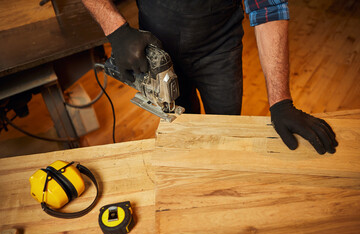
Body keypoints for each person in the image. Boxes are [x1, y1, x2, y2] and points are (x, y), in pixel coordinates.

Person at [82, 0, 338, 155]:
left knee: (226, 133)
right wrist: (116, 30)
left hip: (220, 47)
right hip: (158, 43)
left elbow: (269, 6)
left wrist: (281, 103)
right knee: (181, 134)